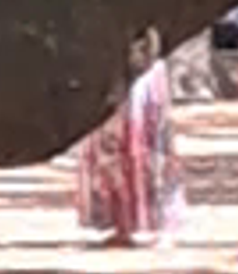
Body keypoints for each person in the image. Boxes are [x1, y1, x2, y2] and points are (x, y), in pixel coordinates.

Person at [70, 45, 182, 244]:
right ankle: (122, 223)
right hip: (107, 62)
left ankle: (161, 223)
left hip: (142, 59)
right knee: (110, 144)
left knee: (146, 141)